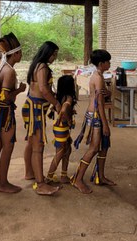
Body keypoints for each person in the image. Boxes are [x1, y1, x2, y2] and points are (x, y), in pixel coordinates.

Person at [0, 33, 26, 194]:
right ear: (15, 54)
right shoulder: (9, 71)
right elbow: (5, 96)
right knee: (7, 146)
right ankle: (2, 182)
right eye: (20, 52)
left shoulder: (1, 66)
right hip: (4, 112)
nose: (21, 55)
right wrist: (20, 90)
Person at [72, 50, 116, 194]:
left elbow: (101, 94)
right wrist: (105, 124)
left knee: (104, 146)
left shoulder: (98, 76)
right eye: (108, 62)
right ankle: (77, 179)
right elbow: (99, 103)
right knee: (94, 148)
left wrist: (107, 92)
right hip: (96, 115)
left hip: (96, 114)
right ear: (102, 63)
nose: (109, 64)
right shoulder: (98, 77)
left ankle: (100, 176)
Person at [25, 41, 62, 196]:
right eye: (54, 54)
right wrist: (57, 104)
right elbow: (44, 90)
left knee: (32, 143)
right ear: (49, 53)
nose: (55, 58)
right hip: (36, 109)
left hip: (34, 106)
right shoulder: (42, 67)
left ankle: (30, 173)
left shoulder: (37, 65)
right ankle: (40, 184)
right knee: (38, 146)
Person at [46, 75, 77, 184]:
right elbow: (64, 109)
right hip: (62, 127)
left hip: (60, 127)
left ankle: (64, 175)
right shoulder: (68, 97)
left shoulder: (59, 96)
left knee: (67, 149)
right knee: (60, 152)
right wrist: (68, 120)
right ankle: (49, 176)